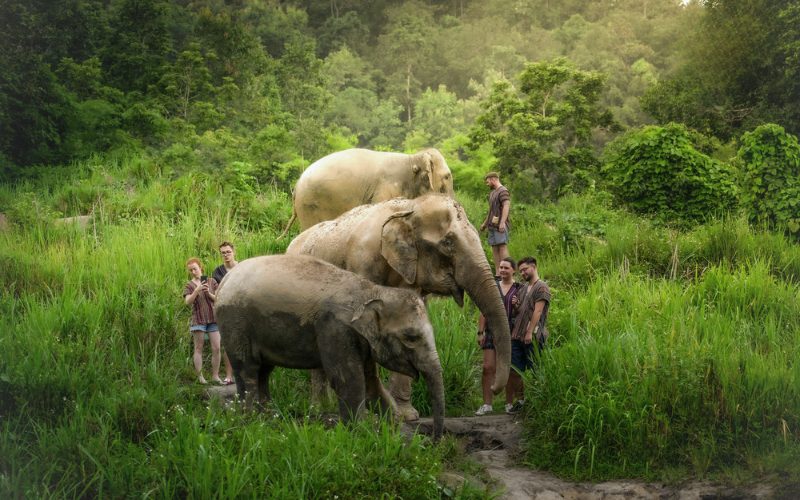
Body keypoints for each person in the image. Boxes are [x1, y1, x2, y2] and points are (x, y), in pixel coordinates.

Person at [475, 257, 523, 416]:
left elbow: (522, 313)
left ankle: (509, 403)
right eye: (501, 267)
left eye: (506, 268)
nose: (502, 270)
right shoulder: (493, 287)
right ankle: (487, 404)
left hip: (511, 333)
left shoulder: (519, 288)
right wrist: (480, 332)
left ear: (513, 270)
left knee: (508, 368)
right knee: (488, 367)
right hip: (491, 331)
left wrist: (517, 307)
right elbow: (484, 311)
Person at [507, 256, 551, 414]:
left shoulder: (542, 287)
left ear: (534, 267)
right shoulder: (524, 288)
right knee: (515, 369)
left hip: (533, 335)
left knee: (535, 369)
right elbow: (521, 311)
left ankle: (540, 401)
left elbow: (538, 311)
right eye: (521, 271)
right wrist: (516, 305)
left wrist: (529, 332)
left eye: (525, 269)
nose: (523, 273)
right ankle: (521, 401)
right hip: (517, 335)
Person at [183, 257, 224, 385]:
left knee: (217, 348)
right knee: (198, 348)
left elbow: (219, 298)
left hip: (213, 318)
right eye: (191, 270)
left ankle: (215, 376)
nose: (193, 272)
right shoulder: (189, 285)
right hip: (198, 319)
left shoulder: (211, 281)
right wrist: (196, 290)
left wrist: (208, 292)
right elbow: (187, 302)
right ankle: (200, 377)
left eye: (195, 268)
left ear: (201, 267)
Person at [211, 241, 237, 384]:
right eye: (223, 253)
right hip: (226, 311)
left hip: (243, 310)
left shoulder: (242, 267)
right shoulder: (218, 272)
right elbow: (216, 292)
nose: (226, 255)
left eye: (228, 252)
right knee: (228, 343)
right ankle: (229, 375)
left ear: (233, 252)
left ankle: (245, 375)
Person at [479, 172, 511, 274]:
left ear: (493, 179)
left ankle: (507, 271)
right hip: (492, 225)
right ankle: (498, 273)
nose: (487, 184)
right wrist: (485, 223)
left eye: (487, 181)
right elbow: (491, 210)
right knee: (494, 247)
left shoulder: (503, 191)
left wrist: (502, 223)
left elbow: (506, 206)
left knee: (502, 246)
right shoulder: (492, 193)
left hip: (500, 225)